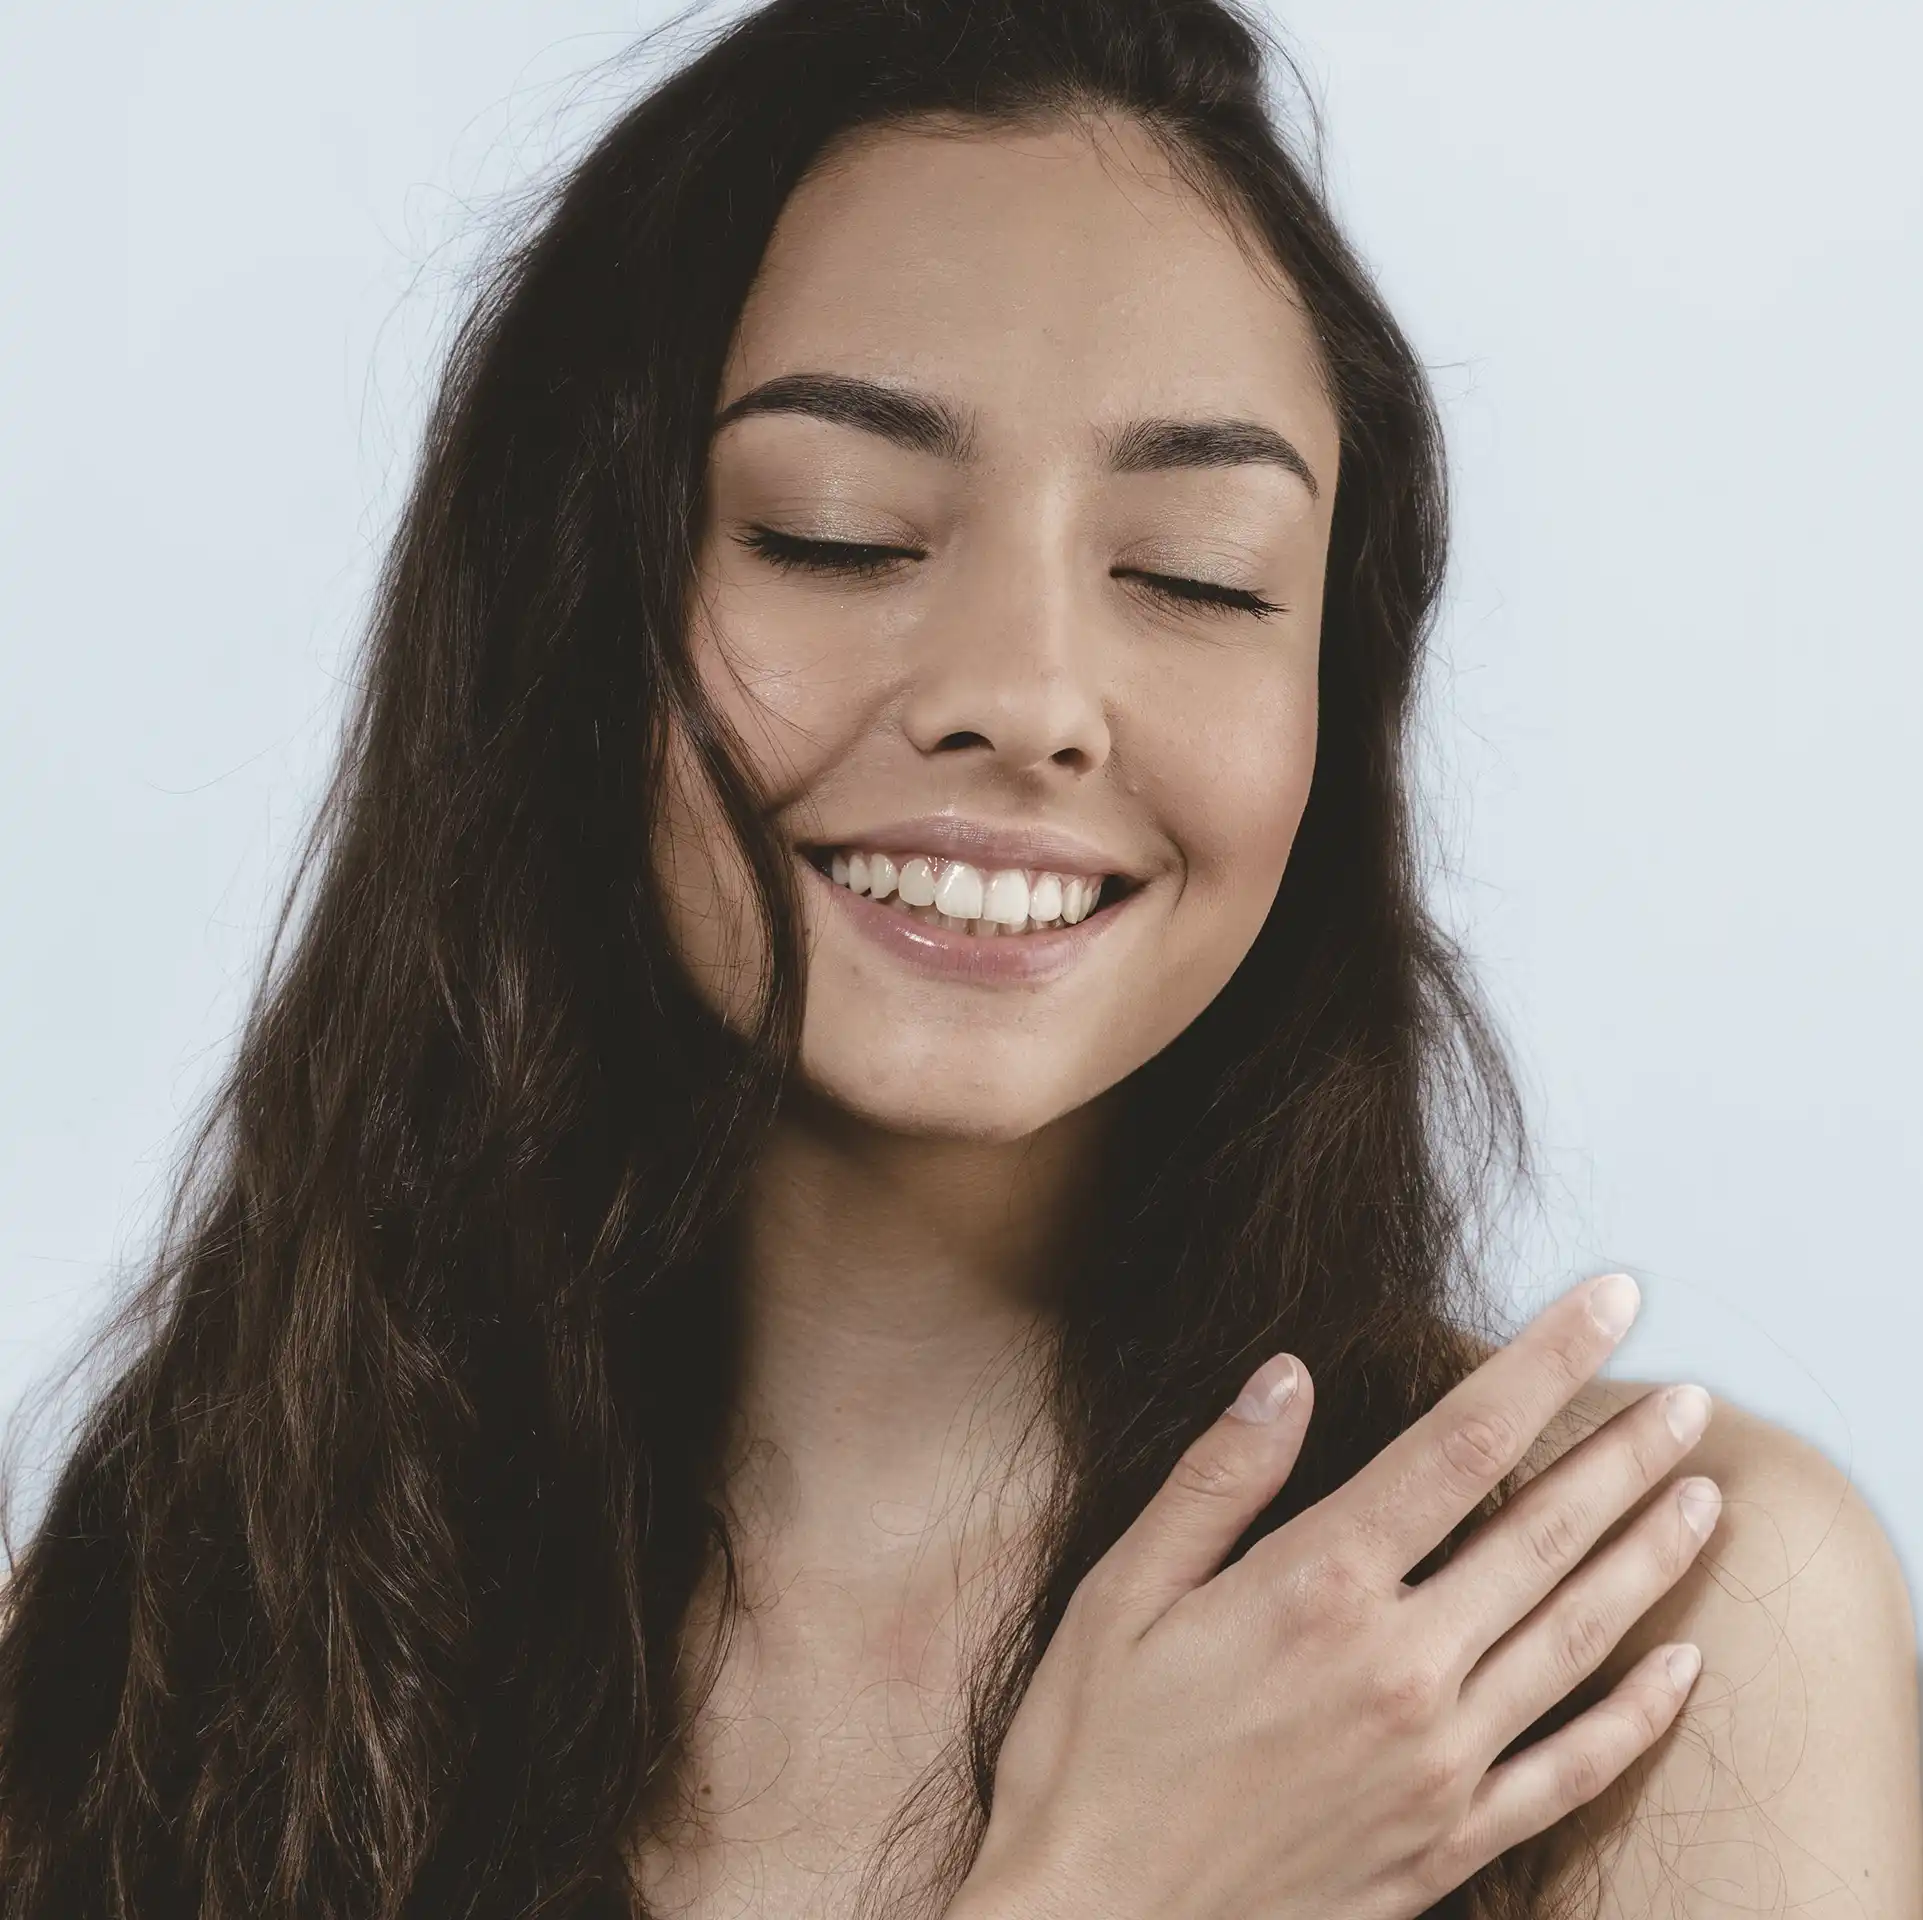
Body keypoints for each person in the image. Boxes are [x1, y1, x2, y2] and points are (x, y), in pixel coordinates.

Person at [0, 1, 1916, 1915]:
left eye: (1195, 578)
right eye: (833, 537)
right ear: (567, 623)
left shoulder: (1661, 1639)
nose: (1025, 701)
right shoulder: (156, 1642)